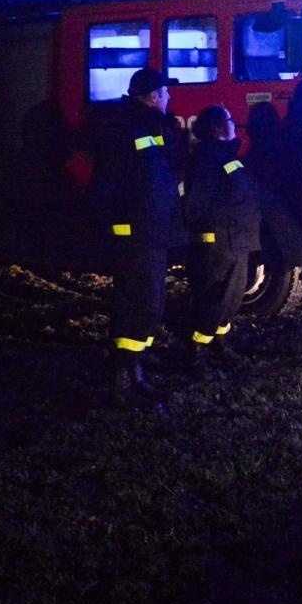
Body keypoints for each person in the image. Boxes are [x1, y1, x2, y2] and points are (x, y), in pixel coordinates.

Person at [87, 67, 186, 409]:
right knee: (132, 303)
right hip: (135, 234)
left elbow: (160, 176)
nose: (170, 98)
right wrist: (114, 228)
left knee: (150, 302)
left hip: (153, 231)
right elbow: (106, 184)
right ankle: (122, 381)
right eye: (165, 93)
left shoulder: (152, 127)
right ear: (152, 97)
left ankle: (136, 369)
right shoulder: (122, 129)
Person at [181, 105, 260, 378]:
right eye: (229, 119)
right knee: (214, 298)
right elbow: (197, 202)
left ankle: (219, 343)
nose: (234, 123)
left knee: (232, 297)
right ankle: (195, 353)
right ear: (216, 128)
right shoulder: (206, 157)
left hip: (236, 239)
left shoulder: (225, 155)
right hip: (218, 241)